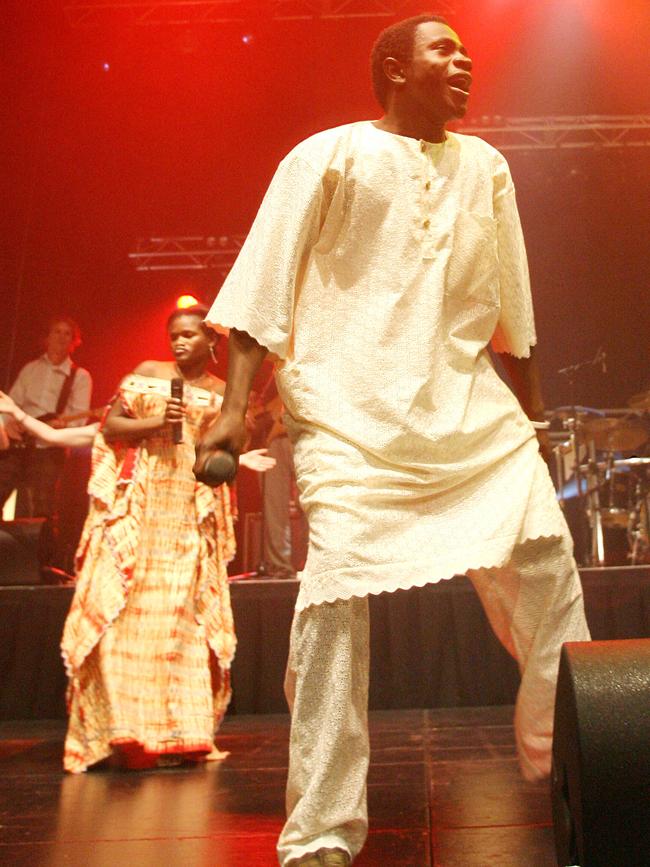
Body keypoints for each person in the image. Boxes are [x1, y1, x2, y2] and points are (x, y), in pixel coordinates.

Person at [195, 15, 591, 866]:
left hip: (469, 411)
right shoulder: (324, 156)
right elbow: (263, 283)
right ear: (391, 68)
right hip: (345, 412)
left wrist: (533, 413)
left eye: (464, 48)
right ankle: (323, 829)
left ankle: (573, 751)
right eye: (443, 48)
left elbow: (513, 309)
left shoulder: (487, 167)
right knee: (335, 603)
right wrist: (234, 406)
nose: (465, 60)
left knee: (551, 563)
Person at [61, 306, 274, 773]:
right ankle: (123, 729)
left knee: (182, 621)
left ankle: (182, 735)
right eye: (174, 336)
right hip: (142, 504)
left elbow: (220, 457)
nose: (179, 344)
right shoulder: (148, 374)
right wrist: (158, 423)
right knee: (120, 612)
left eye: (190, 337)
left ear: (213, 343)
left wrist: (233, 458)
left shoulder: (225, 394)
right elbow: (111, 427)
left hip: (188, 514)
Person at [0, 316, 92, 518]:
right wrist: (8, 425)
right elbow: (10, 404)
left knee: (39, 510)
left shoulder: (80, 377)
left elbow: (79, 420)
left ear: (74, 342)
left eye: (67, 333)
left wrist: (61, 428)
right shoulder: (30, 369)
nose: (61, 337)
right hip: (18, 444)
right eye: (57, 331)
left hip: (49, 450)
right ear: (47, 337)